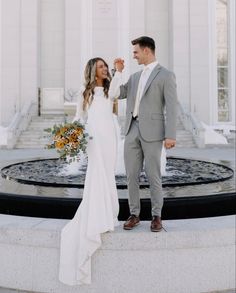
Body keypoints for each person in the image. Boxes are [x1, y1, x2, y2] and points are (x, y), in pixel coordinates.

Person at [59, 57, 119, 286]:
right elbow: (79, 117)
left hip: (110, 138)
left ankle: (110, 213)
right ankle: (97, 217)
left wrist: (119, 71)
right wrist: (70, 135)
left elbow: (116, 92)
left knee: (109, 174)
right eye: (101, 66)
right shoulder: (85, 93)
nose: (105, 69)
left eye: (106, 67)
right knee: (98, 175)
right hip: (94, 138)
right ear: (94, 70)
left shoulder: (110, 90)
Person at [111, 36, 177, 232]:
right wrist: (118, 71)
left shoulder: (166, 75)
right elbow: (115, 93)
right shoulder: (133, 78)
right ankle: (134, 214)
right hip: (131, 130)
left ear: (147, 51)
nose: (134, 56)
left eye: (136, 52)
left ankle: (156, 216)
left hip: (154, 132)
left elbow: (172, 107)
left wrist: (170, 135)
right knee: (131, 175)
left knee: (153, 175)